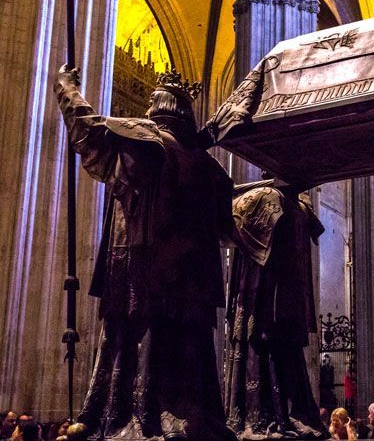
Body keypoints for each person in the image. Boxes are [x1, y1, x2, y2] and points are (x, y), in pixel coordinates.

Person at [54, 67, 236, 440]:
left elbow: (88, 129)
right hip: (191, 280)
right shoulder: (210, 168)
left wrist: (66, 88)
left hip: (140, 264)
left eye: (154, 100)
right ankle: (186, 417)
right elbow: (227, 229)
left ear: (162, 107)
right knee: (183, 345)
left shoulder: (148, 140)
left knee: (129, 338)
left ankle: (132, 417)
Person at [223, 180, 326, 440]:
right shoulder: (293, 205)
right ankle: (280, 416)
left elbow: (226, 225)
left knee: (271, 352)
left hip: (268, 301)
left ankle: (270, 417)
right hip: (279, 301)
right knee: (277, 354)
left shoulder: (276, 201)